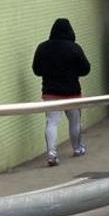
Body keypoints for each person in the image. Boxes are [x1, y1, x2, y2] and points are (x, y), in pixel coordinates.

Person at [31, 18, 91, 167]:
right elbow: (86, 69)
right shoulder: (74, 48)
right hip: (72, 92)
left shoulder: (43, 47)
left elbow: (36, 70)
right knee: (75, 122)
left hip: (50, 92)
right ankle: (77, 148)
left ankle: (52, 154)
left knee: (51, 123)